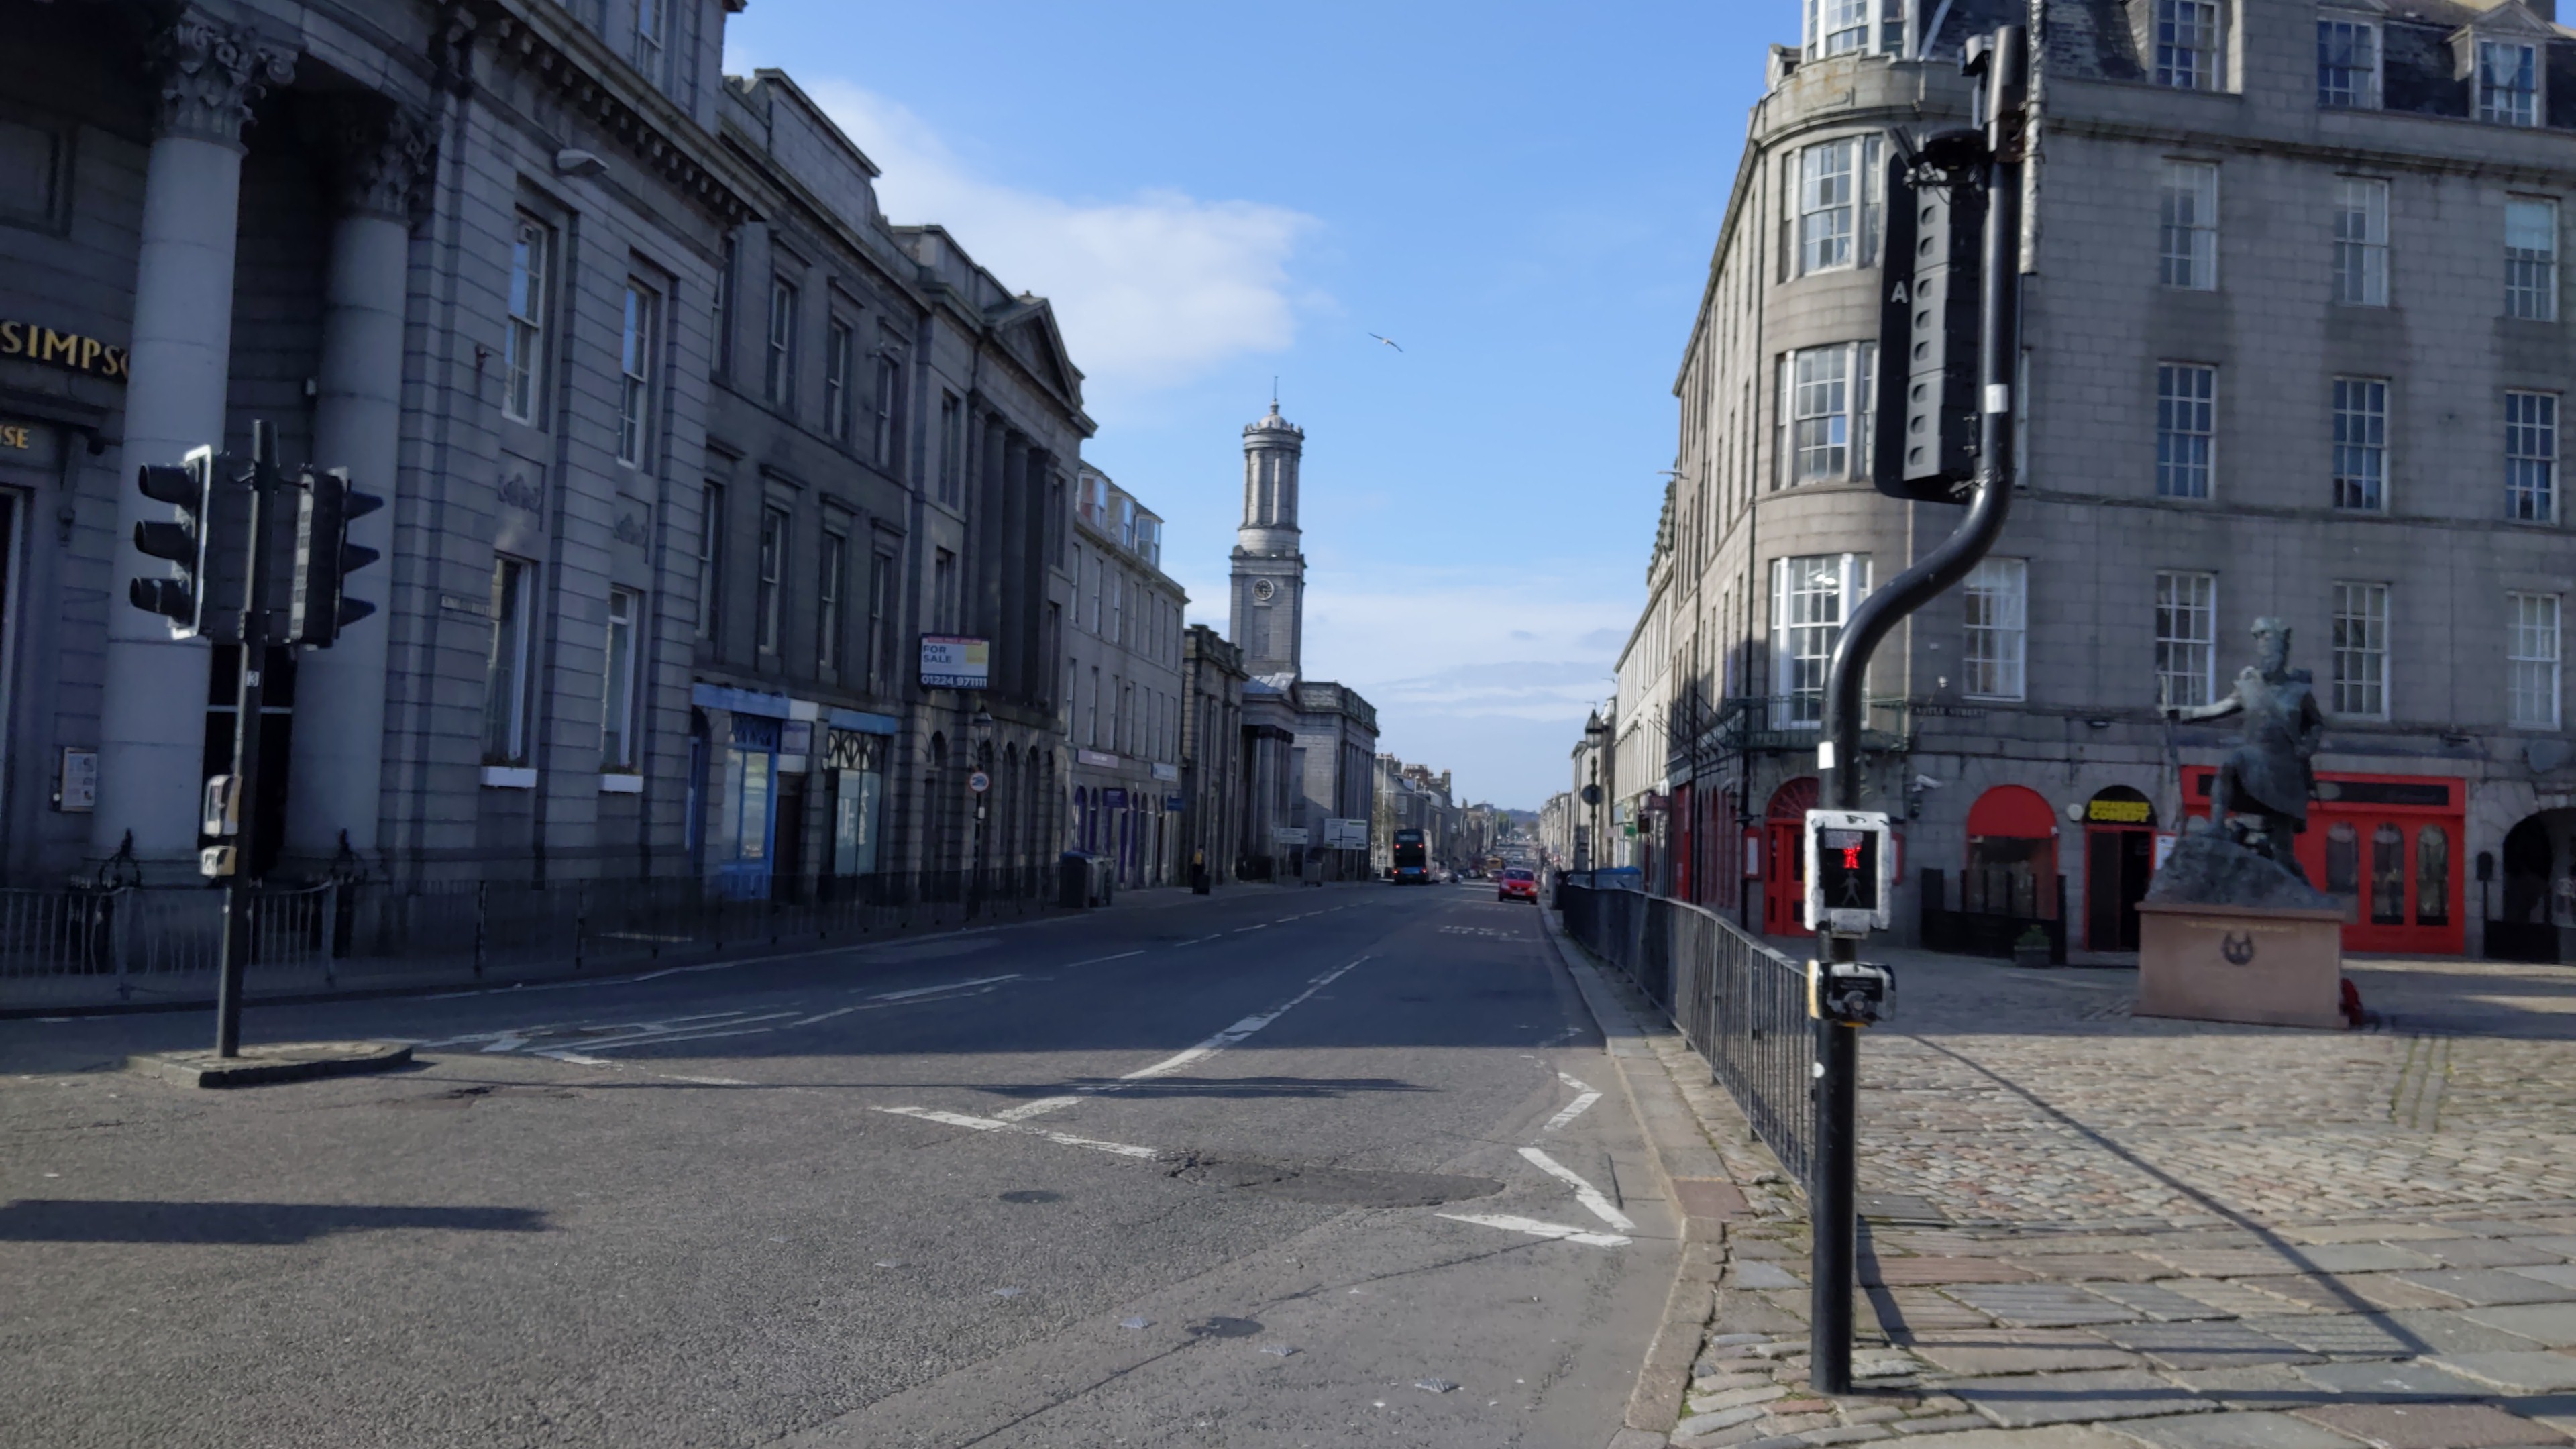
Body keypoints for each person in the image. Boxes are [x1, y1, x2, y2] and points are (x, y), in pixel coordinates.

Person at [2163, 616, 2325, 880]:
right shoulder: (2248, 687)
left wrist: (2308, 746)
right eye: (2265, 654)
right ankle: (2216, 824)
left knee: (2283, 853)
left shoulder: (2299, 692)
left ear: (2283, 655)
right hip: (2255, 756)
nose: (2269, 661)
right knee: (2230, 764)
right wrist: (2181, 712)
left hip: (2285, 766)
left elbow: (2317, 724)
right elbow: (2217, 709)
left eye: (2274, 654)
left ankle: (2300, 890)